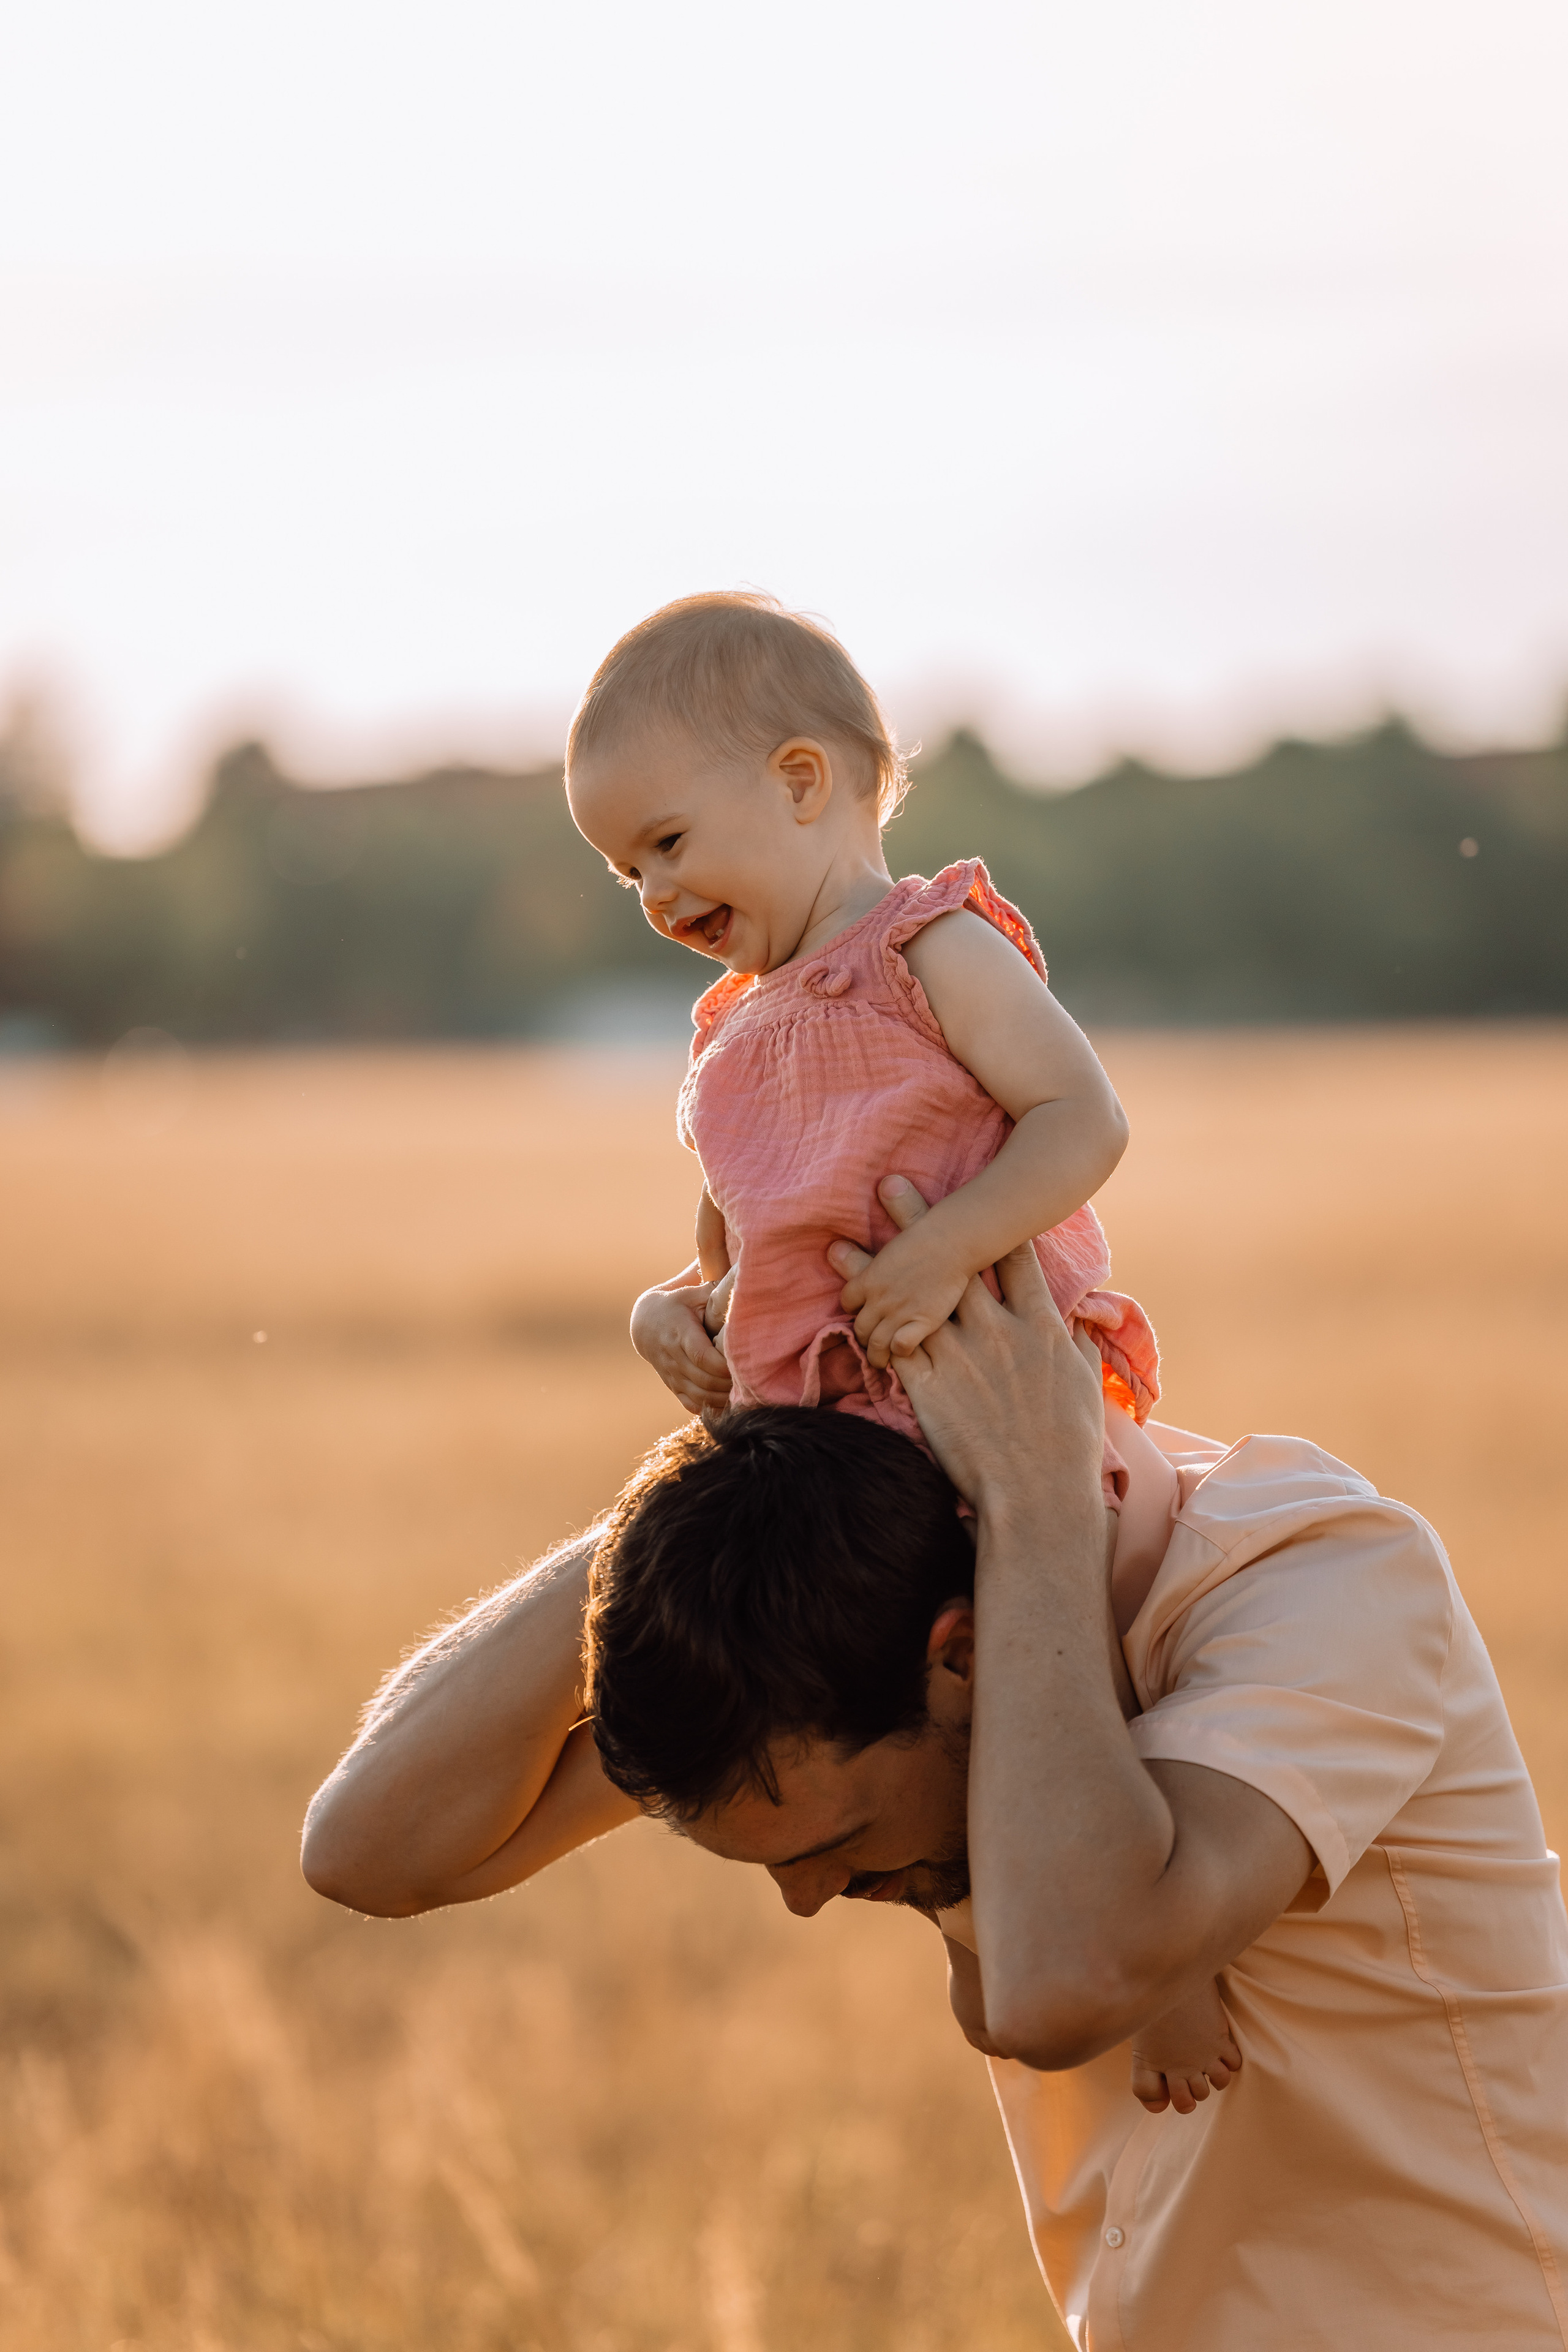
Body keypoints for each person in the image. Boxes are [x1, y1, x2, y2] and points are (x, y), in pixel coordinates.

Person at [302, 1186, 1568, 2350]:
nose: (802, 1901)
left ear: (956, 1661)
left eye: (812, 1851)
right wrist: (750, 1466)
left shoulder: (1318, 1580)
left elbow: (1063, 1984)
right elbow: (370, 1851)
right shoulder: (843, 1664)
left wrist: (1034, 1507)